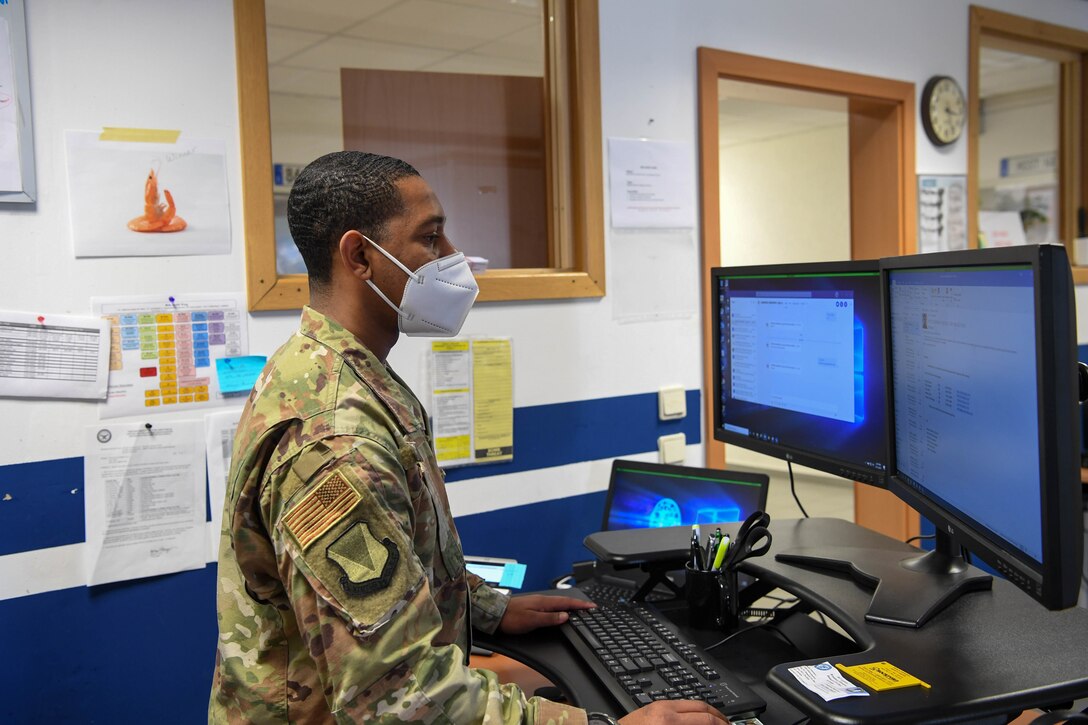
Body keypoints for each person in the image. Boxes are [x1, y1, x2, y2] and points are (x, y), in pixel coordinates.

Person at [209, 150, 730, 725]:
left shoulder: (329, 368)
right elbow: (398, 699)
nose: (453, 259)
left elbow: (397, 567)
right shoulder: (338, 440)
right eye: (431, 239)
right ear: (359, 255)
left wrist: (487, 608)